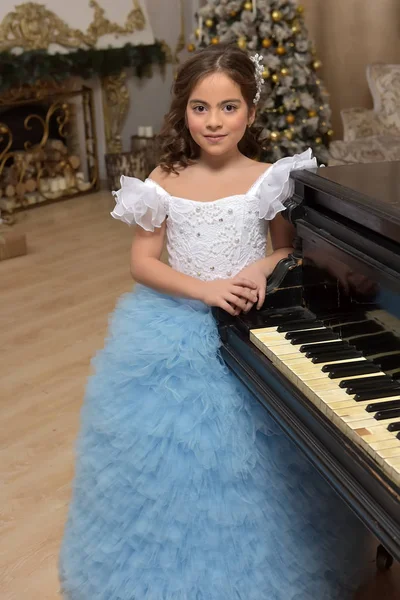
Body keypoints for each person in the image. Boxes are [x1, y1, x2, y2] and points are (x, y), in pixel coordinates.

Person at [59, 43, 371, 600]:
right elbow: (142, 263)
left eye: (229, 107)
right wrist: (206, 290)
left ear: (250, 111)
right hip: (174, 329)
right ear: (183, 112)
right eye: (200, 108)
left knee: (256, 462)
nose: (214, 121)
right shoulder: (165, 178)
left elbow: (284, 250)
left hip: (253, 327)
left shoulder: (269, 178)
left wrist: (259, 267)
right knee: (178, 460)